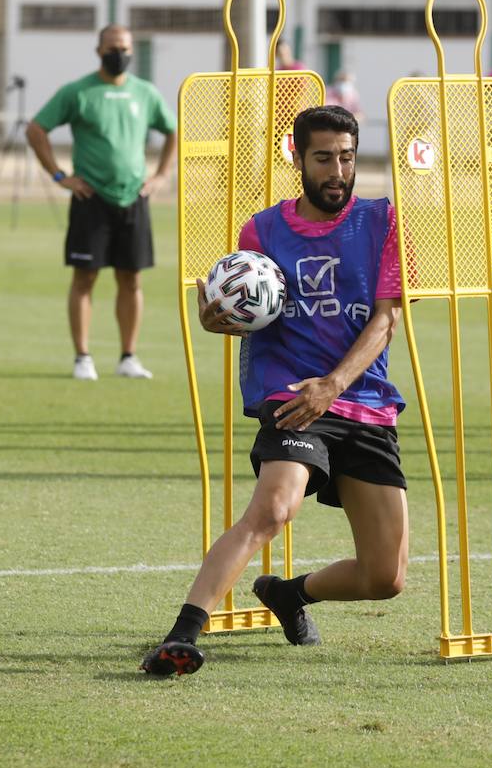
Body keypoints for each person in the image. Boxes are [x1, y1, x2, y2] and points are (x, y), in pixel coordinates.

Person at [140, 106, 408, 676]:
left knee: (385, 578)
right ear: (298, 158)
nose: (337, 170)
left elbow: (386, 320)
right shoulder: (261, 230)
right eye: (323, 158)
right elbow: (240, 300)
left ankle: (290, 594)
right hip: (294, 397)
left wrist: (334, 386)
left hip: (361, 400)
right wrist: (219, 319)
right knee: (272, 510)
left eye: (347, 157)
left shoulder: (383, 222)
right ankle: (182, 634)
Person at [26, 25, 177, 382]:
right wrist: (60, 176)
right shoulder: (79, 92)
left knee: (131, 279)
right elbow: (36, 130)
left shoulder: (145, 93)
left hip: (133, 198)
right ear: (98, 51)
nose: (119, 53)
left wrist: (159, 176)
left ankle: (128, 356)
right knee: (85, 277)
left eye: (124, 47)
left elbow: (173, 130)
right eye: (112, 47)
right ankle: (83, 357)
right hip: (90, 198)